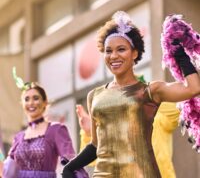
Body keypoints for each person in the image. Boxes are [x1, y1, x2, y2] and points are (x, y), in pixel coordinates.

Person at [62, 11, 200, 178]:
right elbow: (96, 145)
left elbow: (193, 88)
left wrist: (178, 53)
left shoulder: (150, 91)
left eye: (121, 49)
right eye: (108, 51)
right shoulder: (94, 95)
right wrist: (70, 167)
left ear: (134, 53)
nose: (113, 56)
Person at [3, 73, 88, 178]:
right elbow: (8, 173)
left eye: (35, 98)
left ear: (45, 102)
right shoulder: (19, 137)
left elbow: (71, 162)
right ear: (22, 104)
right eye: (27, 99)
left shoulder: (56, 129)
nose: (31, 103)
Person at [76, 101, 179, 178]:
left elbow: (180, 106)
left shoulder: (157, 120)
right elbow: (92, 165)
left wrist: (151, 95)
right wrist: (90, 133)